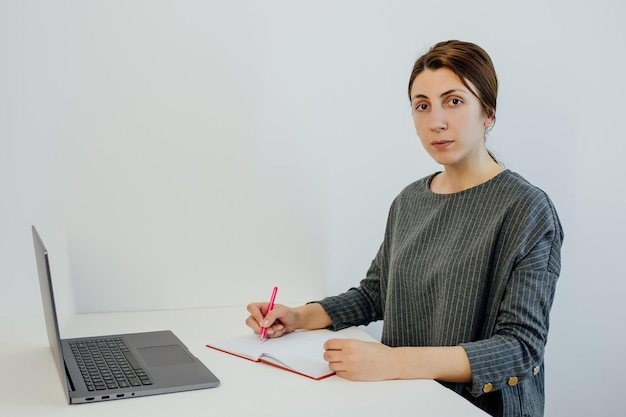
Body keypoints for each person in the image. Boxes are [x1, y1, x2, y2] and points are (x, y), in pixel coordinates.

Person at [246, 40, 564, 417]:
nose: (436, 121)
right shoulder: (410, 200)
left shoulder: (527, 209)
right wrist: (298, 316)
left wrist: (393, 363)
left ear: (488, 113)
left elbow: (520, 349)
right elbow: (376, 294)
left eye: (454, 101)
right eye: (422, 106)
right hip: (404, 400)